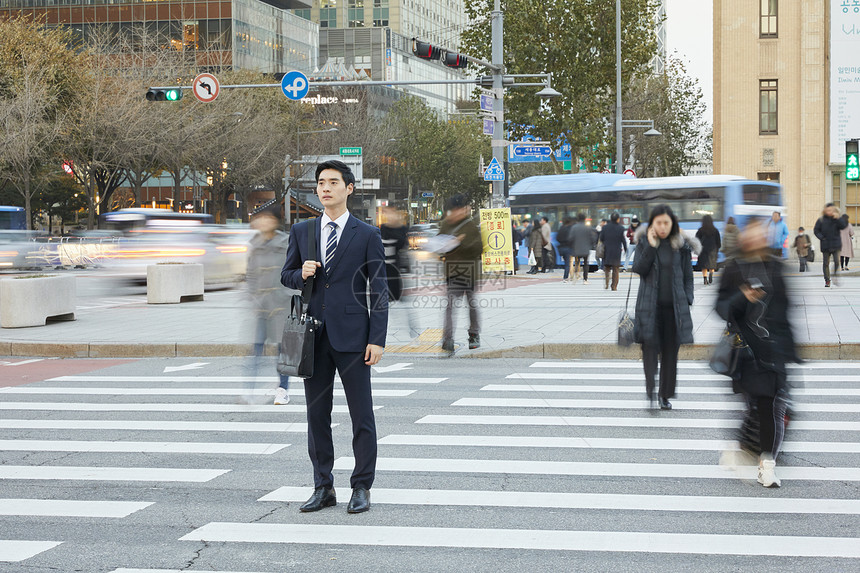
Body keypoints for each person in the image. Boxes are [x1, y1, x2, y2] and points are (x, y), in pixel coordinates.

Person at [281, 159, 389, 514]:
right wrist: (302, 273)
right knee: (317, 416)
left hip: (355, 338)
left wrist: (378, 339)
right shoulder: (303, 231)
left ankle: (361, 487)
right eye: (321, 183)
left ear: (349, 188)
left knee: (362, 417)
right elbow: (286, 276)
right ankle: (322, 486)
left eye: (332, 182)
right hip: (313, 337)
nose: (325, 188)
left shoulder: (367, 234)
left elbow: (379, 290)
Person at [716, 217, 799, 488]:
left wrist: (790, 349)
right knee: (756, 407)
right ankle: (744, 448)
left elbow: (785, 310)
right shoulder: (733, 269)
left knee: (769, 408)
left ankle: (766, 466)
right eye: (751, 233)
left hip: (772, 353)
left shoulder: (775, 268)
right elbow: (721, 309)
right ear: (743, 238)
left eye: (760, 233)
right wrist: (742, 296)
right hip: (746, 353)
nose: (756, 238)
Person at [633, 205, 697, 410]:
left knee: (671, 354)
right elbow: (639, 269)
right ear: (652, 223)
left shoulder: (681, 245)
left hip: (674, 310)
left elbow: (688, 275)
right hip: (649, 307)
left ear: (672, 224)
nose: (662, 227)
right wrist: (651, 247)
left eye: (666, 223)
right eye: (658, 223)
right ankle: (651, 389)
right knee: (650, 352)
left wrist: (688, 297)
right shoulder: (644, 242)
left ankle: (664, 394)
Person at [245, 206, 292, 405]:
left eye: (266, 217)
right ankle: (248, 390)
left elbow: (293, 272)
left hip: (281, 306)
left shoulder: (286, 242)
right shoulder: (255, 244)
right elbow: (251, 274)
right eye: (259, 218)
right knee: (255, 349)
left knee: (282, 352)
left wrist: (288, 296)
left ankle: (282, 390)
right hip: (262, 306)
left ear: (274, 220)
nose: (261, 221)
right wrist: (253, 296)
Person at [439, 194, 483, 352]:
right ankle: (448, 339)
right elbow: (439, 243)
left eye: (461, 209)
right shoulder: (445, 225)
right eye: (455, 210)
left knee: (471, 305)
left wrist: (460, 243)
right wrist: (442, 247)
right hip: (452, 274)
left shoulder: (471, 226)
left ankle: (474, 334)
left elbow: (479, 248)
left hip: (469, 273)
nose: (458, 213)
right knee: (450, 306)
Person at [380, 206, 419, 338]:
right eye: (386, 213)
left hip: (397, 272)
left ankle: (413, 329)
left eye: (391, 212)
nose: (388, 215)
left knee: (403, 302)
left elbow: (403, 245)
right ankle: (378, 333)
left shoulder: (402, 229)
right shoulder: (382, 228)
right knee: (380, 304)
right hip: (382, 272)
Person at [814, 203, 848, 287]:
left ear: (834, 210)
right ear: (825, 210)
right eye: (827, 210)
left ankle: (835, 275)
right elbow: (816, 230)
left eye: (831, 210)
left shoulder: (837, 219)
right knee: (826, 263)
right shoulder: (821, 220)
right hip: (825, 244)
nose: (829, 212)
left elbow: (843, 226)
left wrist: (838, 218)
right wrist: (821, 237)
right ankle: (827, 280)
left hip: (836, 244)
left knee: (837, 262)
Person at [598, 212, 627, 291]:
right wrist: (625, 248)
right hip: (616, 251)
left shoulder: (605, 227)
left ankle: (607, 283)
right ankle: (614, 286)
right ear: (618, 219)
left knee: (607, 268)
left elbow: (602, 238)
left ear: (610, 219)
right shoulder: (621, 228)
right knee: (615, 269)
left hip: (607, 250)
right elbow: (623, 240)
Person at [695, 214, 722, 285]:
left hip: (703, 250)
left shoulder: (700, 230)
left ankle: (705, 278)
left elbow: (696, 240)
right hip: (712, 250)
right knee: (711, 264)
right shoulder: (715, 230)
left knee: (704, 265)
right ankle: (711, 274)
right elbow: (718, 241)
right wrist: (717, 248)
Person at [571, 213, 596, 284]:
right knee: (585, 264)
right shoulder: (588, 227)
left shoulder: (574, 227)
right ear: (585, 219)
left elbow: (570, 238)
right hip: (586, 248)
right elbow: (592, 238)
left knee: (577, 262)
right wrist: (590, 245)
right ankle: (585, 279)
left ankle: (576, 275)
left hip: (577, 248)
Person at [556, 216, 575, 282]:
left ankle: (568, 276)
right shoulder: (570, 229)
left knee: (566, 263)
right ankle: (566, 277)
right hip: (568, 248)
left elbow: (557, 238)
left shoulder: (561, 228)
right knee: (568, 263)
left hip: (561, 248)